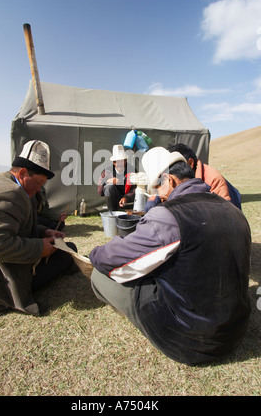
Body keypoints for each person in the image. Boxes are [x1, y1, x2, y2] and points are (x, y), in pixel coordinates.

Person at [89, 147, 251, 365]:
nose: (157, 196)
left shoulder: (169, 216)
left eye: (156, 187)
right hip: (235, 333)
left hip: (189, 341)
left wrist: (94, 253)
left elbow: (114, 259)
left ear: (170, 180)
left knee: (99, 277)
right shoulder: (235, 212)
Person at [0, 140, 77, 322]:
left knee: (67, 250)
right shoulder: (10, 193)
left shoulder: (7, 183)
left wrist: (44, 232)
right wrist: (38, 248)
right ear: (23, 173)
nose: (39, 189)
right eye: (39, 183)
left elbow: (16, 225)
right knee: (68, 253)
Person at [167, 143, 231, 201]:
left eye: (177, 164)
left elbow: (222, 208)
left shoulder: (213, 179)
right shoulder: (170, 177)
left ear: (190, 163)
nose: (173, 168)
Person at [98, 144, 136, 211]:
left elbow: (135, 188)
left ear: (125, 161)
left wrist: (126, 197)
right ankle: (112, 214)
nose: (120, 163)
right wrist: (107, 181)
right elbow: (100, 192)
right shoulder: (107, 172)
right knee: (109, 186)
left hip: (128, 201)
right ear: (114, 162)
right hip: (114, 200)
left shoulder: (132, 171)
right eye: (118, 161)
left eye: (122, 161)